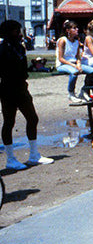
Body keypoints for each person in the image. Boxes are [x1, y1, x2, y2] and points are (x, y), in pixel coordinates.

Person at [1, 20, 54, 170]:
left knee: (32, 118)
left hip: (21, 88)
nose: (20, 34)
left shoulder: (19, 48)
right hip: (7, 89)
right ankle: (10, 158)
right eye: (16, 31)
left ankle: (34, 154)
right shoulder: (3, 49)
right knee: (9, 122)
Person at [56, 20, 93, 102]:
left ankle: (84, 90)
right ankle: (71, 93)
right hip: (63, 64)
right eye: (74, 28)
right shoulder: (62, 40)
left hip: (74, 63)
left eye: (76, 28)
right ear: (68, 30)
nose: (77, 29)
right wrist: (74, 66)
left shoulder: (76, 42)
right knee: (74, 72)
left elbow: (78, 56)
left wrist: (78, 64)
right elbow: (61, 58)